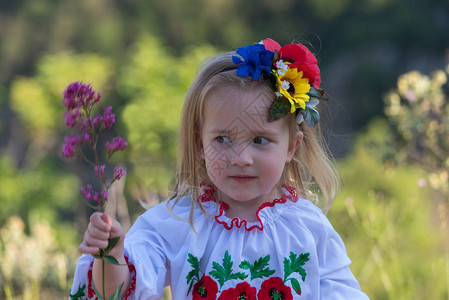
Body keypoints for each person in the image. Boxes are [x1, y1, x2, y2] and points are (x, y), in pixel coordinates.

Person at [70, 38, 369, 300]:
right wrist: (109, 256)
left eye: (260, 140)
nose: (240, 158)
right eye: (222, 139)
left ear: (292, 146)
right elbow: (121, 292)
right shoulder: (174, 223)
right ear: (199, 143)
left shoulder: (309, 229)